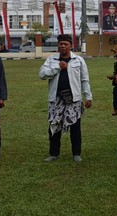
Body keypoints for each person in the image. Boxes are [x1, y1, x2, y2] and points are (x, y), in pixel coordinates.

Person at [39, 34, 92, 163]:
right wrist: (58, 67)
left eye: (65, 44)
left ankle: (76, 153)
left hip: (73, 99)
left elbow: (84, 79)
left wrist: (88, 96)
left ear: (71, 46)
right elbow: (42, 74)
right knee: (54, 126)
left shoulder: (78, 60)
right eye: (61, 44)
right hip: (56, 99)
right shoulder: (51, 60)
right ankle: (54, 153)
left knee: (75, 126)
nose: (62, 46)